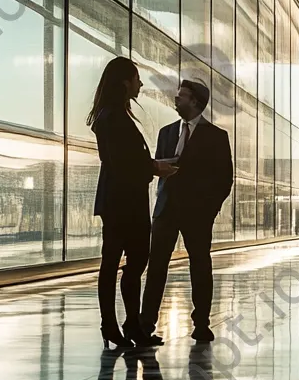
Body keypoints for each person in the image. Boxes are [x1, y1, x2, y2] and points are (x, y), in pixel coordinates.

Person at [89, 56, 178, 349]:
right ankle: (117, 325)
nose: (140, 84)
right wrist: (153, 167)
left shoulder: (114, 114)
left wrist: (151, 165)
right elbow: (123, 162)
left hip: (121, 200)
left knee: (126, 260)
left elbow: (126, 159)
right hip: (122, 202)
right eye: (137, 78)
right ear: (125, 81)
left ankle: (124, 325)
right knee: (124, 260)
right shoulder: (112, 116)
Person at [141, 80, 234, 343]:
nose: (175, 98)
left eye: (181, 96)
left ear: (195, 101)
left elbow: (224, 179)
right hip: (166, 209)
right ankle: (147, 322)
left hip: (197, 213)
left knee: (201, 266)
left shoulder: (216, 136)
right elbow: (157, 169)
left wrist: (210, 210)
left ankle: (202, 323)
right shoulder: (166, 133)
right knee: (157, 266)